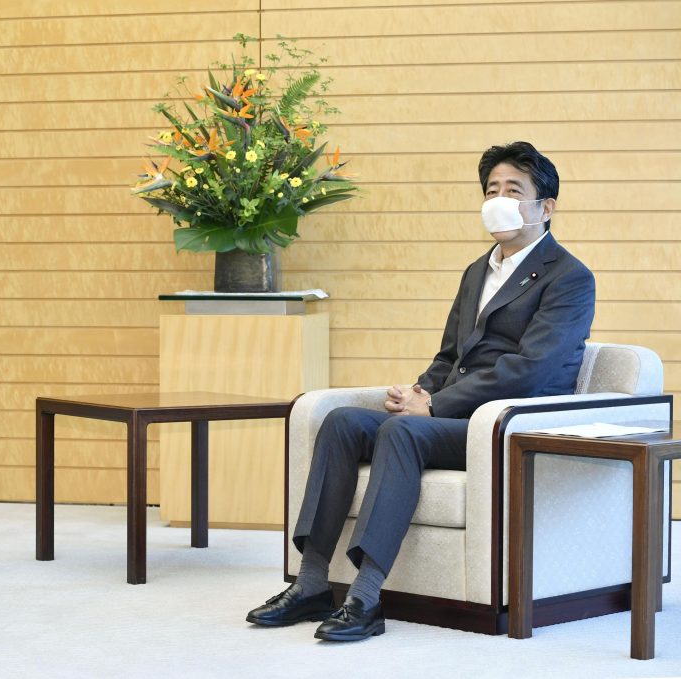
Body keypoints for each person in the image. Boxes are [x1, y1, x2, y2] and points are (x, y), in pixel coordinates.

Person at [246, 142, 595, 641]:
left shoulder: (570, 278)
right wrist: (417, 391)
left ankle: (365, 599)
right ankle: (312, 583)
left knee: (404, 434)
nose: (499, 198)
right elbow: (450, 355)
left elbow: (529, 371)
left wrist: (433, 405)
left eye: (513, 190)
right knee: (343, 421)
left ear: (546, 207)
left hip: (503, 423)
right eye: (492, 189)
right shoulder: (478, 270)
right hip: (450, 416)